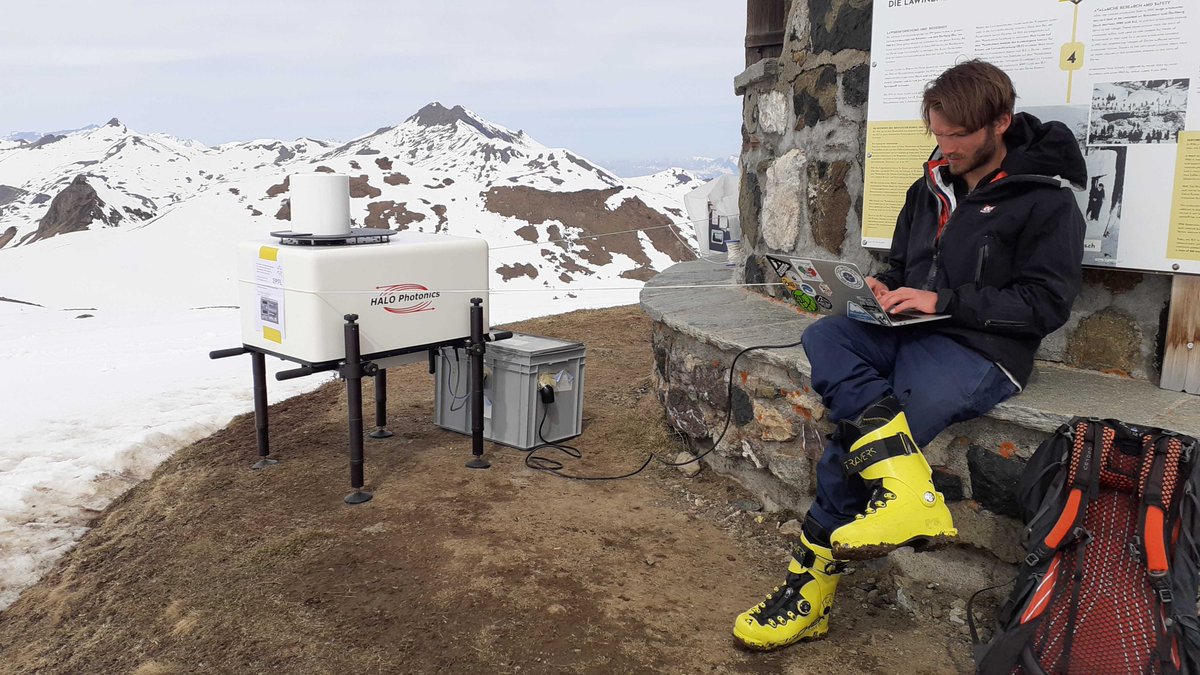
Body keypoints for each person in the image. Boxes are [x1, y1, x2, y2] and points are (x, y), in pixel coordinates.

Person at [732, 59, 1086, 651]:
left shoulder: (1048, 202)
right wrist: (880, 289)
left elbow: (1045, 305)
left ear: (1000, 122)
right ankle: (908, 492)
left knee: (853, 440)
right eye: (937, 134)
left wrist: (941, 299)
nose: (944, 148)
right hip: (910, 330)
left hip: (983, 350)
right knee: (827, 335)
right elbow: (903, 269)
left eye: (958, 137)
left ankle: (808, 593)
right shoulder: (929, 188)